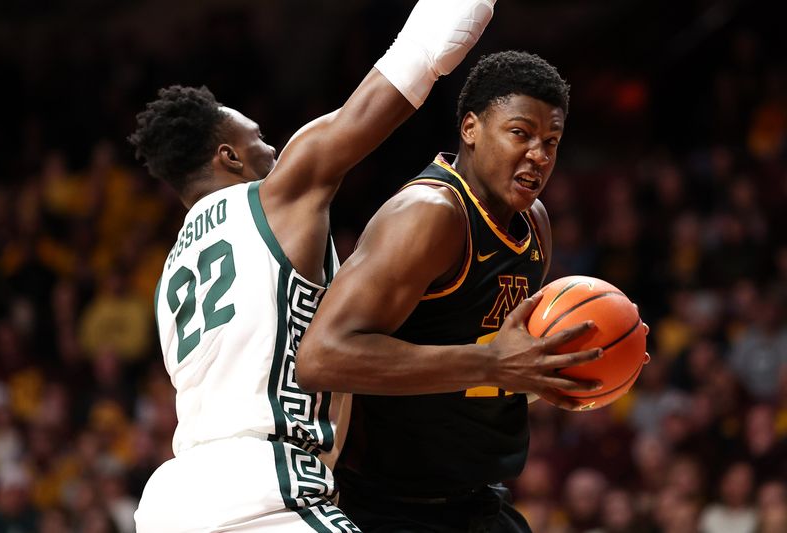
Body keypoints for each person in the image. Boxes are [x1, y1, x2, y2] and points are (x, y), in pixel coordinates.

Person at [128, 1, 498, 531]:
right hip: (265, 491)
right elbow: (413, 62)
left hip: (173, 501)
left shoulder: (169, 275)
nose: (277, 149)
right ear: (230, 158)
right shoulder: (275, 199)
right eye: (260, 140)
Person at [297, 51, 619, 531]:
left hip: (479, 501)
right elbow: (321, 358)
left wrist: (555, 369)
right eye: (520, 133)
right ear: (470, 128)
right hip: (387, 507)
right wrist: (493, 363)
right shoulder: (429, 215)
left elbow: (493, 360)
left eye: (551, 140)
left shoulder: (535, 223)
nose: (539, 154)